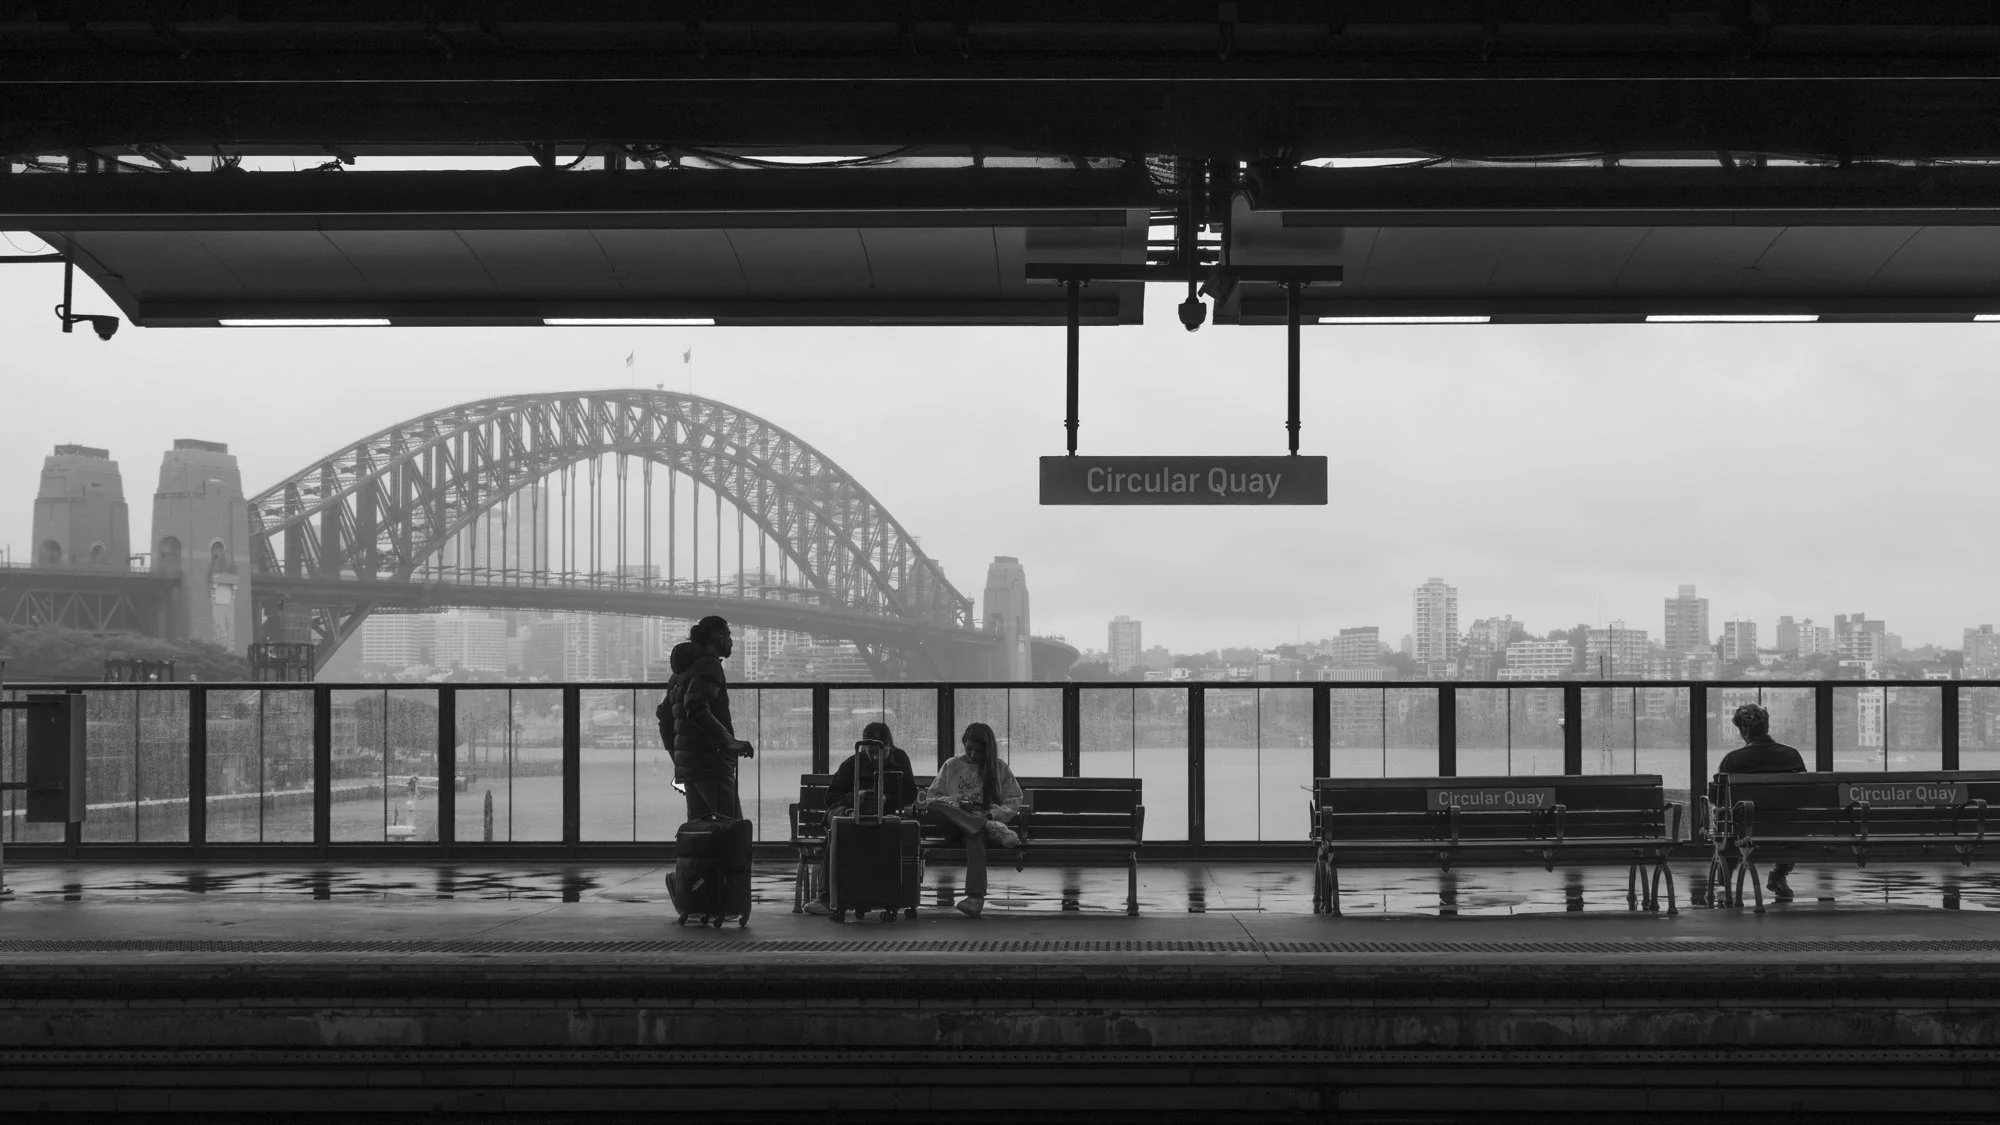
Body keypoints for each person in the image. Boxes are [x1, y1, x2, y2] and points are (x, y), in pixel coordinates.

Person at [804, 721, 918, 915]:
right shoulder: (852, 764)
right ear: (864, 748)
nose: (875, 757)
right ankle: (825, 898)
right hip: (850, 818)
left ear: (890, 747)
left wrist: (886, 799)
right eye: (871, 752)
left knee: (838, 835)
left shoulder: (900, 759)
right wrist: (855, 798)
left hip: (884, 820)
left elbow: (910, 793)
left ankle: (828, 897)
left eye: (881, 752)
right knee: (837, 832)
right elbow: (830, 798)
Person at [914, 721, 1023, 918]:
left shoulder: (999, 768)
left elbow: (1014, 799)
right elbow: (932, 797)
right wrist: (955, 805)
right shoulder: (951, 765)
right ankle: (986, 825)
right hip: (955, 823)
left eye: (979, 751)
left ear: (988, 750)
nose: (973, 755)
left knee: (975, 835)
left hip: (982, 823)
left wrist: (990, 814)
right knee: (936, 806)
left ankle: (975, 898)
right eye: (969, 749)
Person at [662, 615, 754, 821]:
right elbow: (696, 708)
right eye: (728, 635)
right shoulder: (709, 666)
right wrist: (729, 741)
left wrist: (679, 759)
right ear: (719, 636)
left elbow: (664, 719)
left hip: (691, 770)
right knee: (732, 827)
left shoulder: (679, 674)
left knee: (699, 832)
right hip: (712, 765)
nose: (731, 641)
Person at [1716, 702, 1806, 902]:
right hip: (1788, 829)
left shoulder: (1733, 759)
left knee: (1728, 819)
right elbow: (1805, 793)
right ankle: (1779, 874)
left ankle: (1726, 871)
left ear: (1742, 730)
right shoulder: (1791, 755)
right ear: (1767, 726)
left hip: (1745, 831)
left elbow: (1718, 797)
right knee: (1789, 824)